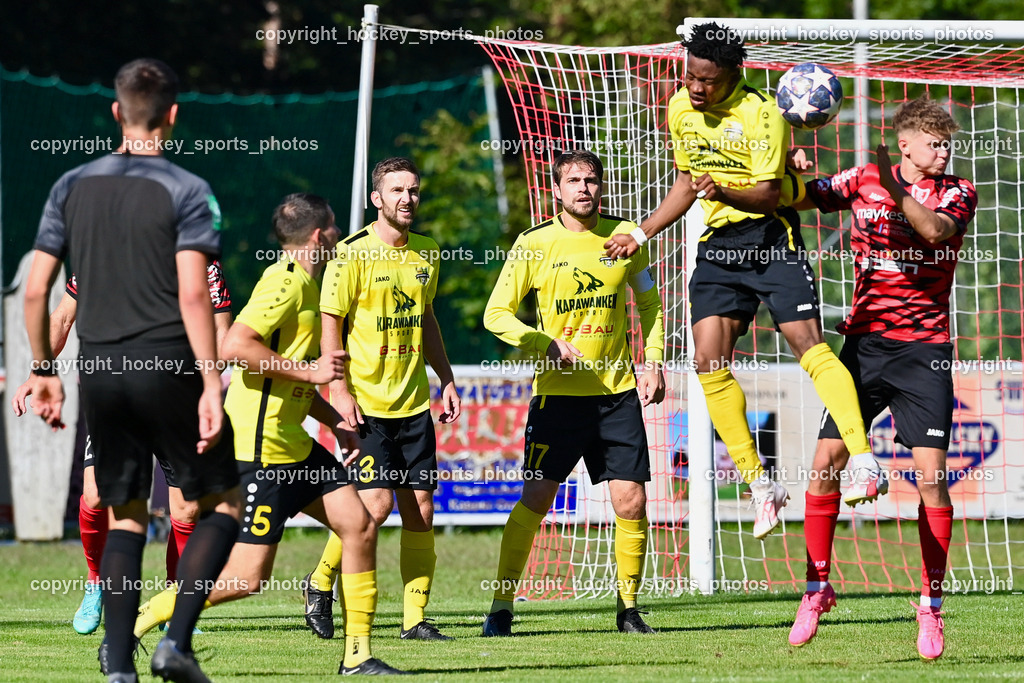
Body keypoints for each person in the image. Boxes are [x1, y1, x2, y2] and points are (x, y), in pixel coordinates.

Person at [603, 22, 884, 539]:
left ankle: (863, 459)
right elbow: (686, 183)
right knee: (707, 362)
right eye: (690, 76)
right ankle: (761, 484)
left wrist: (724, 190)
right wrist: (641, 234)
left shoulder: (764, 116)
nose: (694, 87)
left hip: (770, 240)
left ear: (733, 74)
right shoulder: (680, 108)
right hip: (720, 250)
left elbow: (767, 196)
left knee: (810, 349)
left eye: (706, 80)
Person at [23, 58, 240, 683]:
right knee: (222, 504)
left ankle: (119, 667)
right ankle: (176, 641)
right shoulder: (190, 190)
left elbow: (37, 291)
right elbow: (196, 296)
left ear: (116, 112)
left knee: (123, 514)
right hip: (167, 363)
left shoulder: (70, 185)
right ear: (174, 115)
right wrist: (207, 382)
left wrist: (43, 369)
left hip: (102, 371)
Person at [131, 193, 404, 675]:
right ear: (320, 235)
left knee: (360, 524)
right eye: (335, 228)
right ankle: (142, 619)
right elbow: (236, 345)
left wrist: (333, 417)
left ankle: (358, 655)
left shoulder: (307, 283)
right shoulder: (283, 282)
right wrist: (312, 374)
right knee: (246, 580)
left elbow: (294, 373)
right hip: (259, 454)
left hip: (296, 447)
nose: (338, 235)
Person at [786, 96, 977, 660]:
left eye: (947, 143)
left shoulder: (958, 191)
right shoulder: (865, 176)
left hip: (925, 353)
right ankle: (817, 587)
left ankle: (930, 606)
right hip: (863, 347)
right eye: (934, 142)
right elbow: (809, 196)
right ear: (906, 144)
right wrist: (790, 165)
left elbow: (937, 234)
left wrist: (897, 197)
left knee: (932, 479)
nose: (943, 152)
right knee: (823, 465)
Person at [481, 149, 666, 637]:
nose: (585, 188)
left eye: (592, 179)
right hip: (558, 400)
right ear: (557, 190)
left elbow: (649, 303)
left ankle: (628, 610)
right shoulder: (533, 243)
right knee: (536, 499)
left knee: (632, 502)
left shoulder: (626, 237)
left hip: (618, 393)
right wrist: (543, 342)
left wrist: (652, 360)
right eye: (574, 181)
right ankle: (500, 608)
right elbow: (495, 314)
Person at [12, 264, 233, 637]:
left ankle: (173, 603)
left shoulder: (199, 258)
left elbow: (221, 330)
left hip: (177, 402)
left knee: (188, 508)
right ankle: (96, 582)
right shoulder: (103, 250)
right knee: (97, 496)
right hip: (116, 395)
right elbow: (64, 316)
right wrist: (40, 370)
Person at [300, 156, 461, 642]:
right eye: (397, 191)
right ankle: (320, 583)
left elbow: (427, 319)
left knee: (422, 509)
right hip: (365, 404)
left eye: (413, 190)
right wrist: (339, 390)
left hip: (413, 404)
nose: (407, 199)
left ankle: (414, 621)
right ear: (377, 198)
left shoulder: (428, 252)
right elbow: (331, 322)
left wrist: (446, 378)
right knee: (372, 508)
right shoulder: (350, 254)